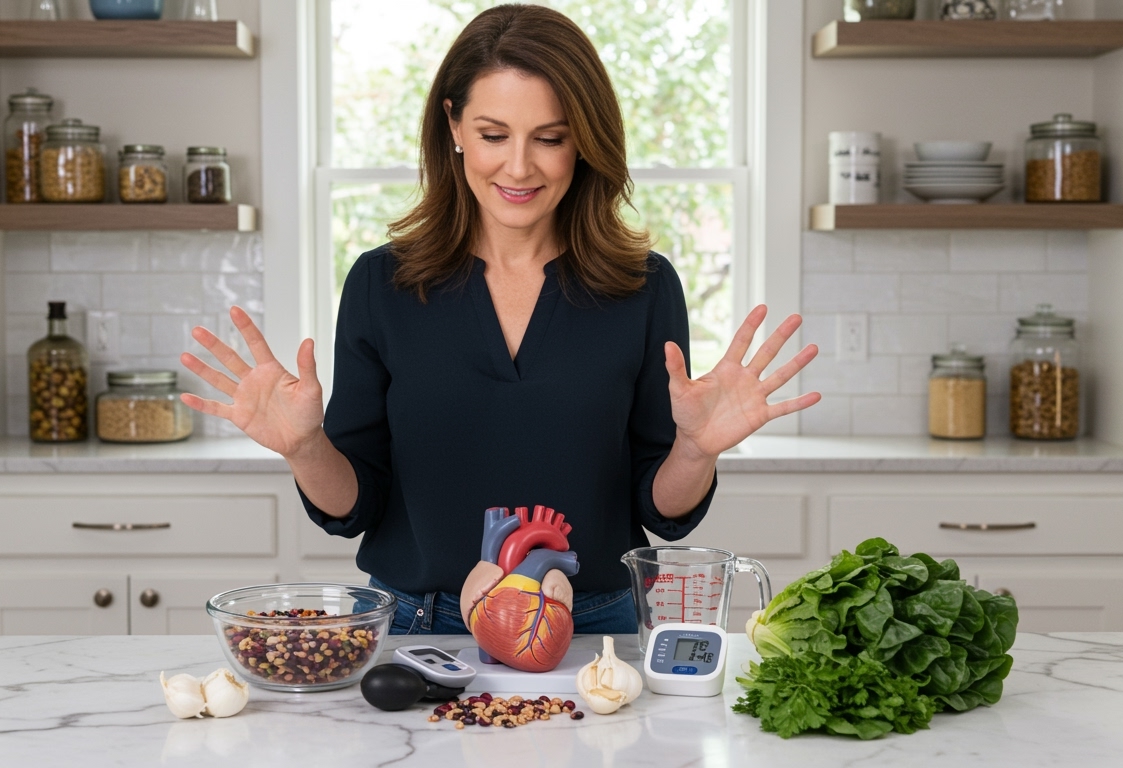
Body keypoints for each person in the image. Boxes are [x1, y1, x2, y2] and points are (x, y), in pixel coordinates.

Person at [180, 4, 819, 636]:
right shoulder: (383, 284)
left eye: (550, 137)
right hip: (417, 627)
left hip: (596, 627)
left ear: (585, 142)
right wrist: (305, 447)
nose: (519, 167)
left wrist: (695, 449)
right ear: (452, 125)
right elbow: (355, 504)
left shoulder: (644, 286)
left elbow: (662, 509)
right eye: (493, 135)